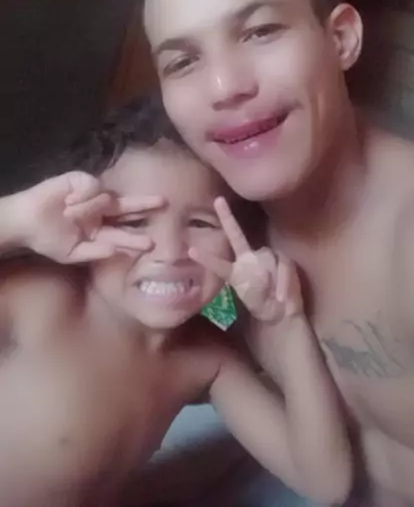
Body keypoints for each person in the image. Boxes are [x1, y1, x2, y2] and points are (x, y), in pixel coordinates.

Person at [144, 0, 414, 507]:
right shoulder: (227, 237)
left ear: (340, 39)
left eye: (260, 32)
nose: (225, 87)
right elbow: (196, 332)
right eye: (183, 62)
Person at [0, 96, 350, 507]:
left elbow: (326, 483)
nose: (169, 253)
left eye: (201, 223)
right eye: (135, 222)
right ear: (82, 225)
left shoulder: (205, 359)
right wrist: (16, 221)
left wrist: (288, 324)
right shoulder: (39, 303)